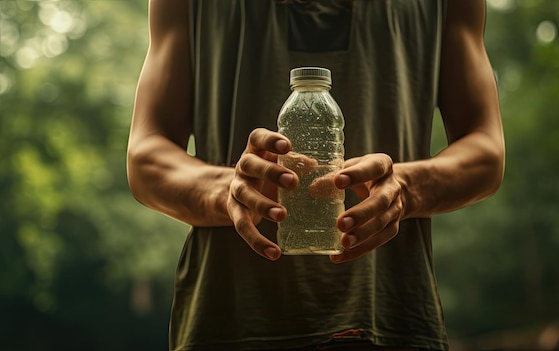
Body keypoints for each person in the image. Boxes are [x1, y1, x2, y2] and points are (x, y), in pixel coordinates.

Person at [127, 0, 504, 350]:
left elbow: (486, 152)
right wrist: (229, 191)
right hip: (229, 319)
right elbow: (146, 158)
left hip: (392, 316)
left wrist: (403, 187)